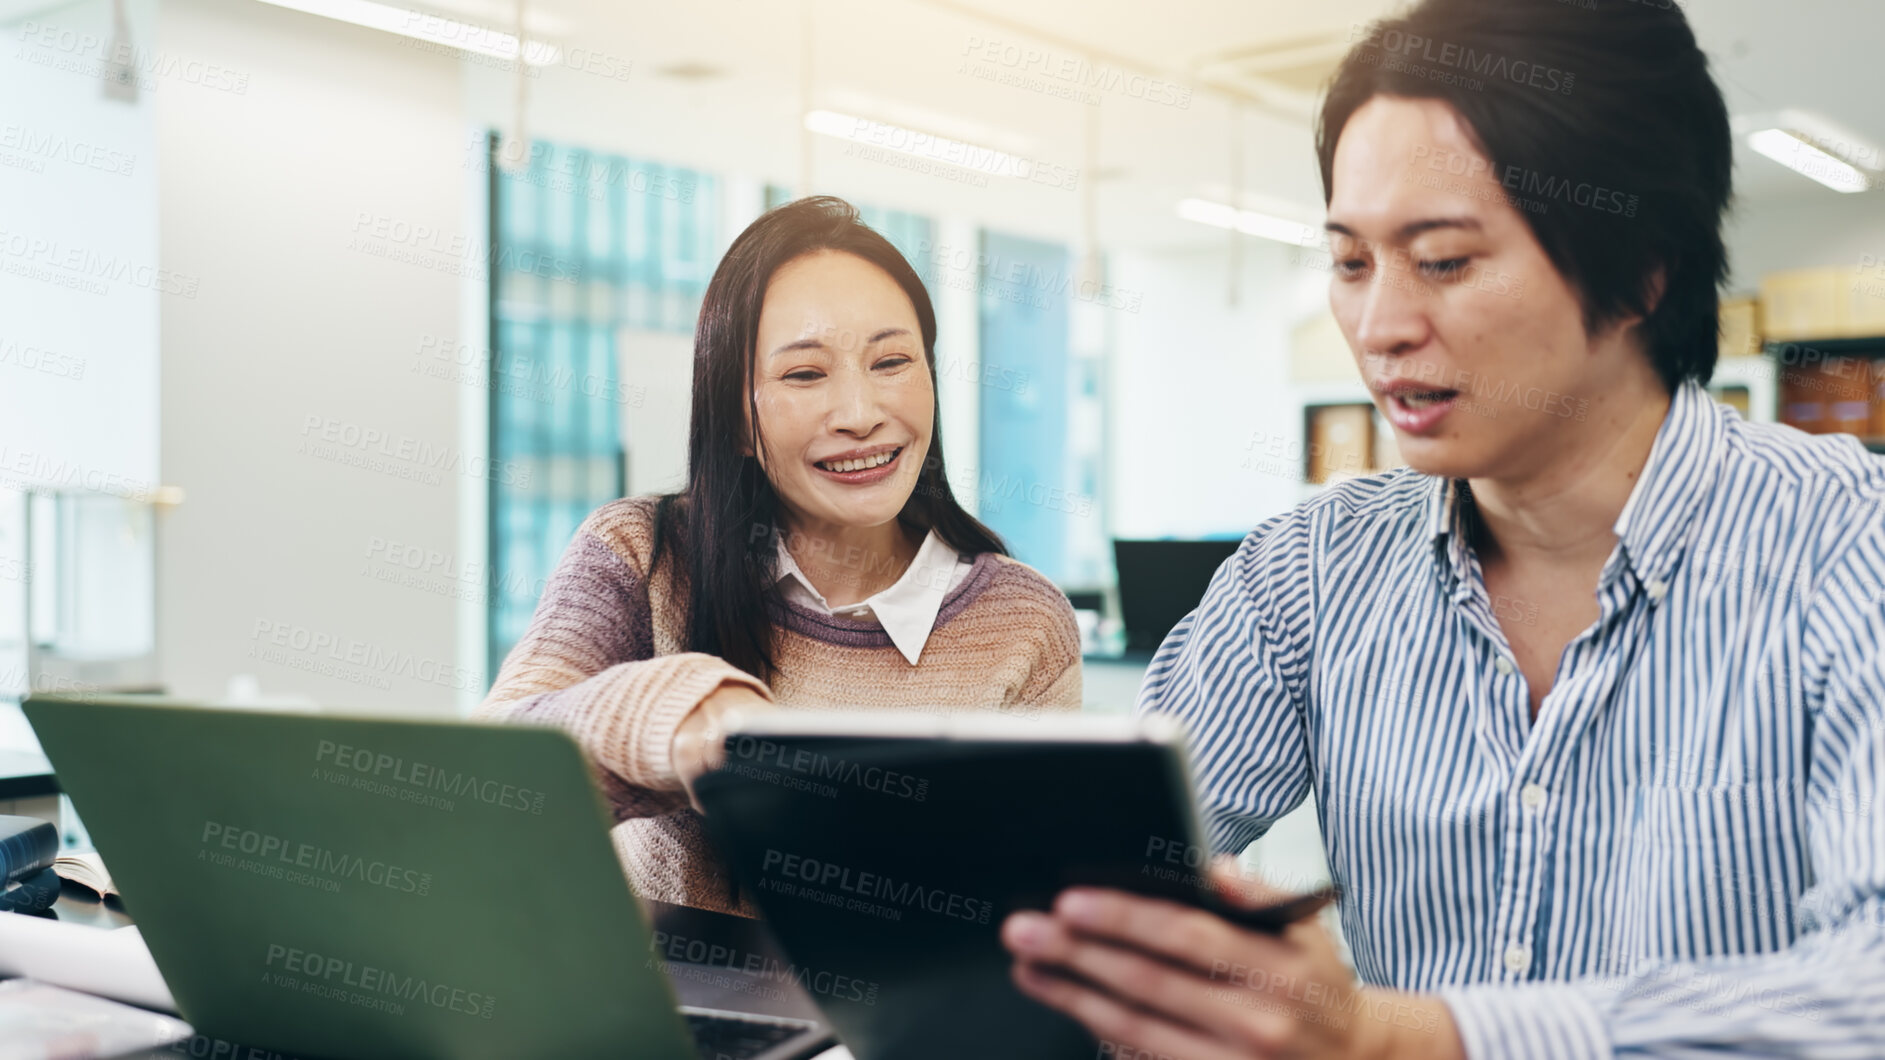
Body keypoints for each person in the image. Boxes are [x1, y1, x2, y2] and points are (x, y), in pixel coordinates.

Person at [1001, 0, 1884, 1055]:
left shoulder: (1848, 549)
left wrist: (1396, 1037)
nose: (1379, 327)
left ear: (1643, 268)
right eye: (1349, 262)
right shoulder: (1310, 574)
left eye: (1445, 260)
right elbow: (1082, 855)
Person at [478, 195, 1081, 915]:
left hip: (909, 1015)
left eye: (891, 361)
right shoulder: (642, 553)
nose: (859, 414)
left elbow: (1039, 889)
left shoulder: (1022, 619)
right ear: (735, 418)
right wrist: (682, 717)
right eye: (804, 375)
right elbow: (493, 773)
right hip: (671, 1012)